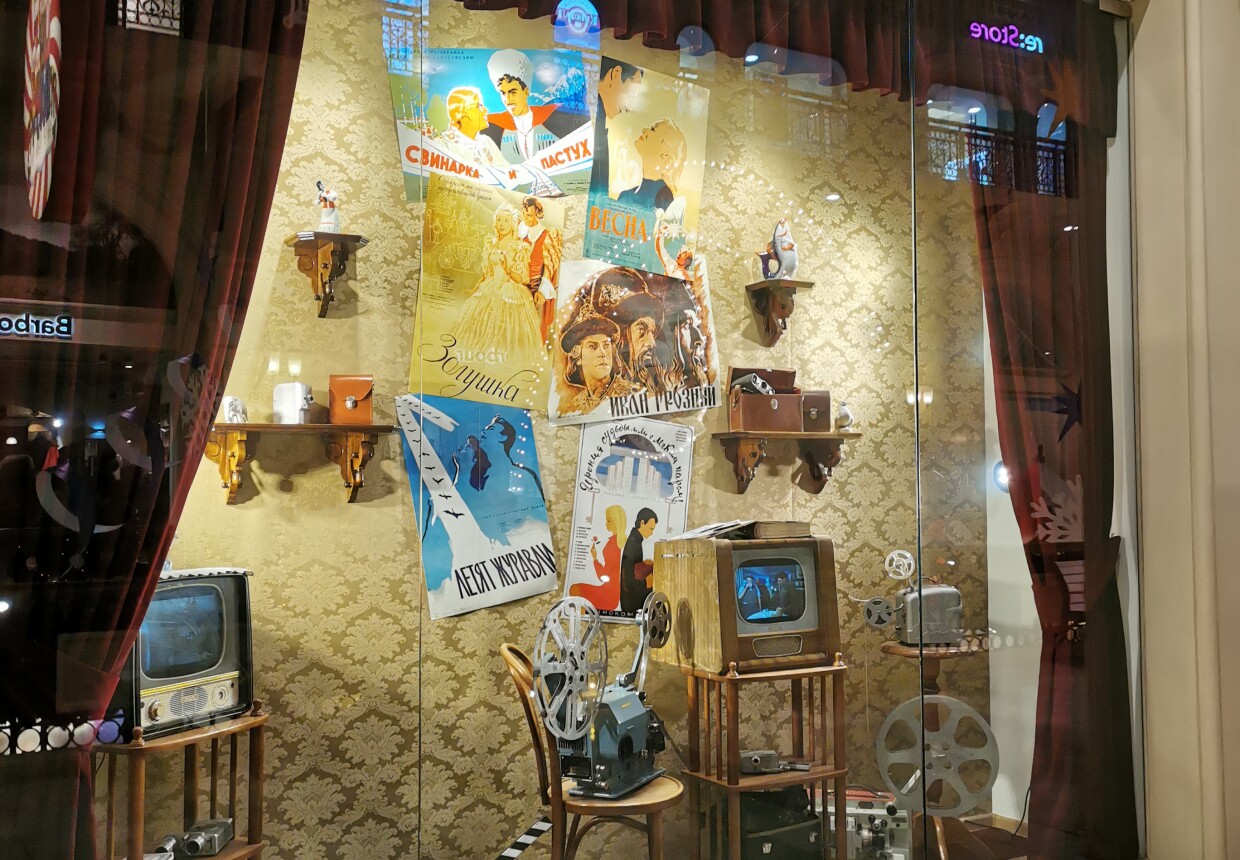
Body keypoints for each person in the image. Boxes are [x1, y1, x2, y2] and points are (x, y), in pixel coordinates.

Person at [453, 205, 542, 362]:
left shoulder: (519, 246)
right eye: (499, 220)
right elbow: (487, 273)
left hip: (510, 291)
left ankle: (502, 359)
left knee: (504, 330)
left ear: (513, 223)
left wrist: (507, 268)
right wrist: (474, 289)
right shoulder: (491, 243)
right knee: (479, 325)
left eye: (506, 220)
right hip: (490, 287)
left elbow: (522, 279)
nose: (502, 224)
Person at [481, 49, 582, 166]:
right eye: (503, 93)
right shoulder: (492, 127)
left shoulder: (556, 117)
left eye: (513, 92)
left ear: (526, 91)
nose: (508, 100)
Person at [558, 303, 634, 416]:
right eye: (593, 347)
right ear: (578, 357)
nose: (602, 353)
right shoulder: (574, 407)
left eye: (606, 346)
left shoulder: (634, 395)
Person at [593, 57, 645, 198]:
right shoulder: (590, 119)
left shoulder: (598, 119)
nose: (630, 106)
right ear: (616, 74)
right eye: (632, 94)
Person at [616, 120, 687, 211]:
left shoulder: (665, 203)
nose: (644, 130)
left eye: (653, 129)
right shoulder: (625, 196)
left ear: (665, 154)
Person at [518, 196, 562, 345]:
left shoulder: (547, 235)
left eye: (529, 215)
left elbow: (550, 266)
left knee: (529, 328)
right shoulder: (518, 230)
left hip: (534, 286)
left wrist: (542, 291)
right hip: (515, 283)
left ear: (537, 213)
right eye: (524, 214)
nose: (526, 219)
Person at [569, 505, 626, 611]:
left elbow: (602, 575)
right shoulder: (617, 542)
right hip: (612, 593)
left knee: (575, 589)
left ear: (617, 521)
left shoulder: (614, 544)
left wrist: (595, 559)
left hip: (609, 596)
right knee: (576, 592)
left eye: (609, 521)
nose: (606, 524)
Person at [442, 86, 505, 167]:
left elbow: (506, 170)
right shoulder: (444, 146)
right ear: (462, 113)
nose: (485, 110)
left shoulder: (487, 142)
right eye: (479, 106)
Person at [620, 507, 658, 613]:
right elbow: (634, 575)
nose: (652, 533)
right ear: (642, 523)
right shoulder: (633, 542)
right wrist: (649, 566)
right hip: (632, 599)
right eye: (651, 529)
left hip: (631, 595)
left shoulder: (635, 539)